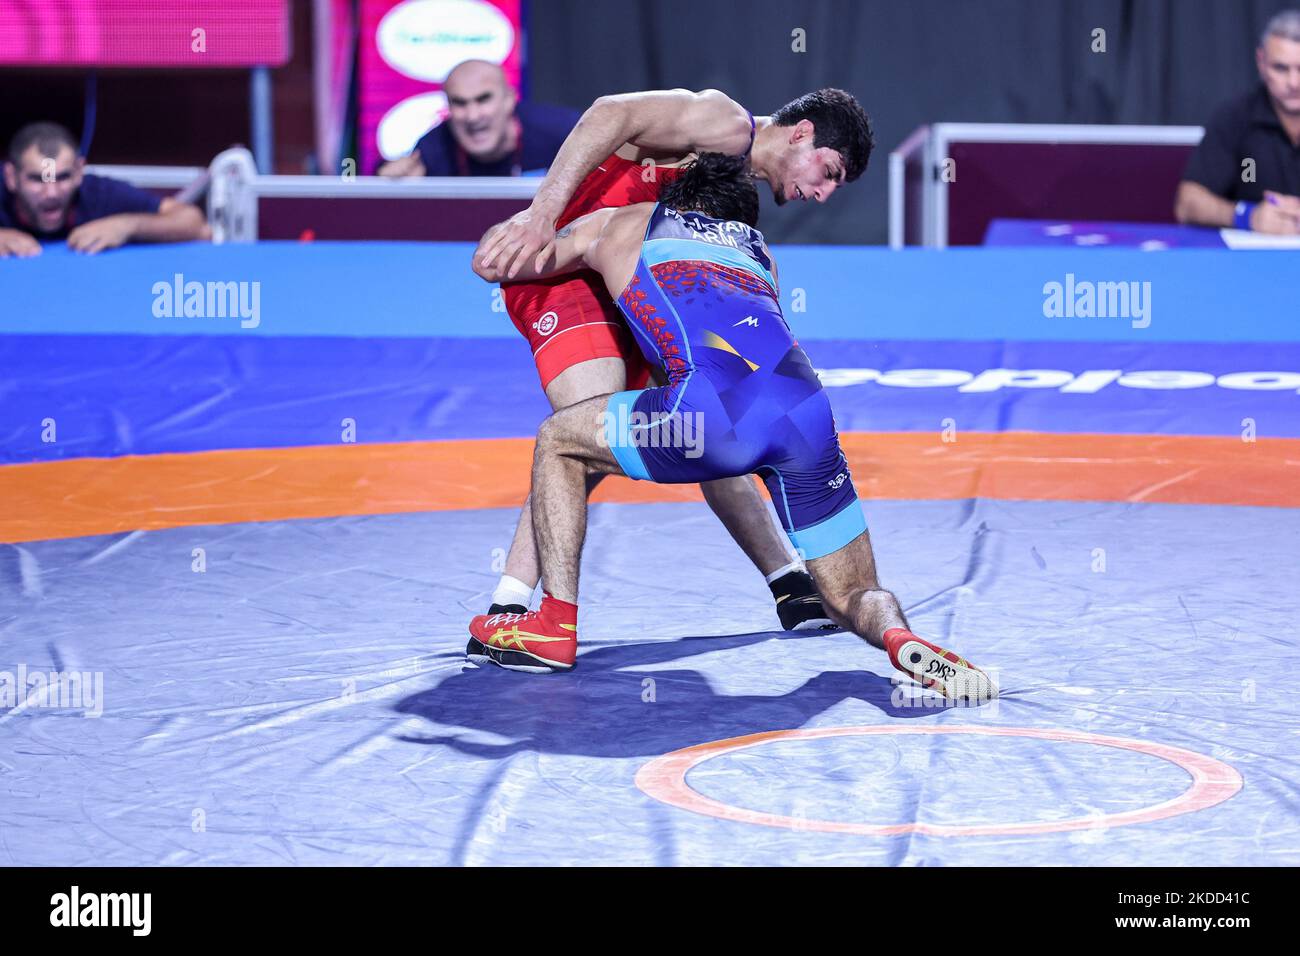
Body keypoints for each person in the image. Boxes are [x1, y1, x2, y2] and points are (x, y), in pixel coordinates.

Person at [468, 153, 997, 703]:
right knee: (852, 591)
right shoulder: (758, 252)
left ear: (678, 198)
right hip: (805, 416)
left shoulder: (627, 220)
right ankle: (898, 634)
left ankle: (552, 624)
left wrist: (527, 223)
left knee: (560, 440)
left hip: (710, 416)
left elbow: (502, 263)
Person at [471, 87, 874, 651]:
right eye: (828, 172)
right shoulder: (729, 124)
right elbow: (608, 111)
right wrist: (540, 217)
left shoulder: (733, 186)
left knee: (709, 411)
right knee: (584, 430)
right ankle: (511, 605)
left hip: (633, 279)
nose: (823, 194)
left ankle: (790, 584)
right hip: (568, 263)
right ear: (801, 133)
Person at [0, 122, 208, 257]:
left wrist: (127, 226)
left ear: (79, 172)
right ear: (11, 177)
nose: (52, 193)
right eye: (37, 179)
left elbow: (194, 222)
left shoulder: (98, 193)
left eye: (62, 177)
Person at [1175, 10, 1300, 234]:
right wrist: (1247, 216)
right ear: (1261, 62)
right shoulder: (1235, 116)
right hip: (1251, 261)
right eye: (1281, 68)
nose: (1294, 82)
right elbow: (1187, 204)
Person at [376, 59, 579, 177]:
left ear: (509, 100)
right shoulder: (432, 150)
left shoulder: (564, 133)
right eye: (460, 103)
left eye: (483, 99)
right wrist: (394, 189)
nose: (472, 116)